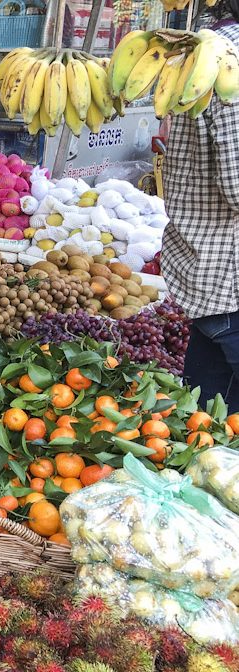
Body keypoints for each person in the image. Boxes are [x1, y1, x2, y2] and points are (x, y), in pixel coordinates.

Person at [162, 0, 239, 409]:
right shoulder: (228, 62)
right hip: (229, 282)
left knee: (205, 433)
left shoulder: (210, 55)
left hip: (213, 278)